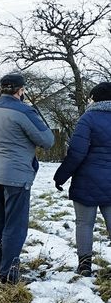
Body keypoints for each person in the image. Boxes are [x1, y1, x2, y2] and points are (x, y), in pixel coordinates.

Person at [0, 72, 54, 283]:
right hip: (16, 175)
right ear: (21, 91)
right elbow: (47, 140)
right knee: (15, 225)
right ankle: (8, 274)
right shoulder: (24, 111)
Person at [53, 82, 111, 277]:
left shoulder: (88, 119)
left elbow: (76, 153)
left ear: (95, 99)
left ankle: (84, 265)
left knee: (84, 224)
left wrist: (61, 177)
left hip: (87, 181)